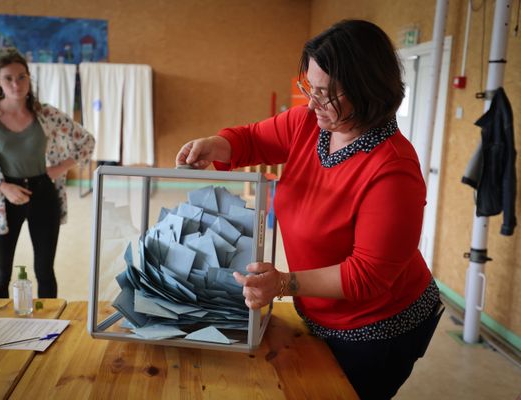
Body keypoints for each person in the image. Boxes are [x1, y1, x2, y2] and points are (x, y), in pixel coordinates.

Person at [176, 20, 443, 399]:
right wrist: (215, 145)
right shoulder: (309, 124)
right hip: (322, 311)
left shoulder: (392, 169)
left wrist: (283, 283)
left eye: (326, 93)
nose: (312, 102)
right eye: (309, 88)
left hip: (379, 326)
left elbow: (367, 276)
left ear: (367, 90)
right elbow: (251, 138)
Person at [0, 48, 95, 299]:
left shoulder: (46, 114)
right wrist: (3, 187)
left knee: (45, 271)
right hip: (3, 199)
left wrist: (58, 168)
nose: (16, 84)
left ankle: (49, 328)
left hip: (43, 193)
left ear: (29, 78)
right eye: (8, 78)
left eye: (22, 77)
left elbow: (86, 141)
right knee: (1, 272)